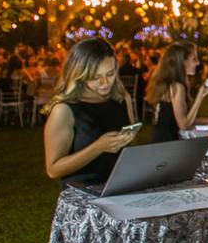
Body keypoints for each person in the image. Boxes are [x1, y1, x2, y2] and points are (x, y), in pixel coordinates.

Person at [42, 38, 137, 187]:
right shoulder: (64, 109)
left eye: (110, 74)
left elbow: (129, 149)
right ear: (79, 74)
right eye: (95, 77)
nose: (105, 83)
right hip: (82, 195)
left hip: (119, 188)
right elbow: (53, 170)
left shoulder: (122, 98)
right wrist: (98, 147)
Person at [145, 41, 208, 143]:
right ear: (182, 62)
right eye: (194, 59)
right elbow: (184, 125)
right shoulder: (177, 86)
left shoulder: (169, 82)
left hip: (160, 143)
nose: (198, 63)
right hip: (167, 146)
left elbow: (178, 118)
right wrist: (201, 95)